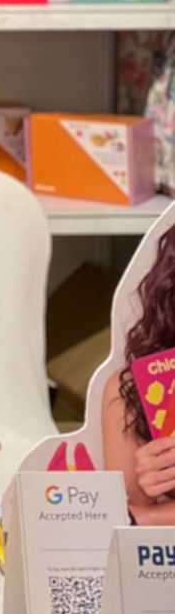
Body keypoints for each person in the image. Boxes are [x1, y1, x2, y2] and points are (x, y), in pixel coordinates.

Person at [102, 219, 175, 523]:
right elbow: (128, 519)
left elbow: (146, 519)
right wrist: (149, 486)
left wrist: (156, 516)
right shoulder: (130, 391)